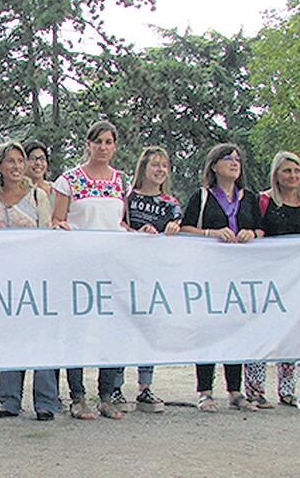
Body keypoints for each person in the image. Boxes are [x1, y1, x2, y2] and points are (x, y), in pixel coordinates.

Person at [52, 121, 128, 420]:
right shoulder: (69, 180)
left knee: (111, 330)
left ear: (115, 146)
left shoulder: (121, 181)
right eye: (98, 141)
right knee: (78, 331)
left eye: (109, 142)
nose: (103, 147)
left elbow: (121, 222)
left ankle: (107, 396)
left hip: (112, 267)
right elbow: (57, 220)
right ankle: (78, 396)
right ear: (88, 144)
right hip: (78, 267)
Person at [180, 143, 264, 413]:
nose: (234, 163)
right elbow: (184, 228)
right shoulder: (202, 197)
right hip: (209, 273)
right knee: (207, 329)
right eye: (228, 158)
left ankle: (235, 391)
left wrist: (253, 233)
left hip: (240, 273)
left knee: (235, 328)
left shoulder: (248, 198)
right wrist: (211, 233)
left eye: (238, 159)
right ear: (214, 165)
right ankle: (205, 391)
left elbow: (263, 229)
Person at [0, 141, 57, 421]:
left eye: (19, 161)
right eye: (10, 161)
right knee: (9, 337)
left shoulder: (38, 196)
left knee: (42, 337)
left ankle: (46, 401)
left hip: (35, 276)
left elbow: (47, 235)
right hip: (3, 279)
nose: (16, 166)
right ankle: (9, 400)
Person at [242, 151, 300, 409]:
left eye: (297, 171)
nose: (292, 176)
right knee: (259, 331)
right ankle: (255, 389)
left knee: (291, 332)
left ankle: (288, 390)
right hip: (265, 277)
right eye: (287, 171)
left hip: (295, 281)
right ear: (276, 174)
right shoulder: (263, 201)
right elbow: (255, 229)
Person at [124, 146, 182, 413]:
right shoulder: (128, 197)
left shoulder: (171, 203)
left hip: (155, 274)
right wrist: (136, 232)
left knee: (149, 329)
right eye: (155, 165)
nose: (160, 170)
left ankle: (145, 387)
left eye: (164, 165)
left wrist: (173, 228)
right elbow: (118, 224)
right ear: (144, 168)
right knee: (123, 327)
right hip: (126, 271)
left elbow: (181, 228)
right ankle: (115, 387)